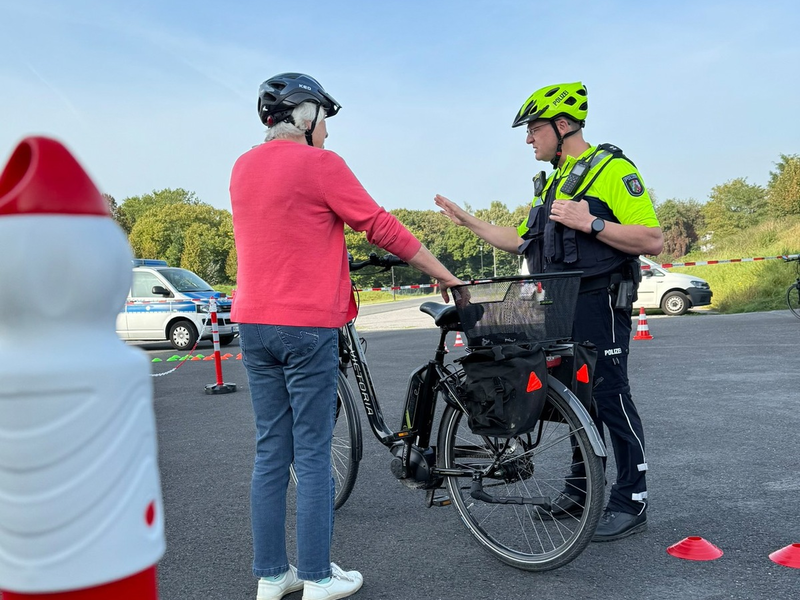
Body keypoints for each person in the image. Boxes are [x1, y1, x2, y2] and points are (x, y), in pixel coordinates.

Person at [230, 72, 462, 600]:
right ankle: (316, 577)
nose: (329, 135)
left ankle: (271, 576)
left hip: (253, 324)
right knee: (311, 454)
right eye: (325, 122)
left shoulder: (241, 168)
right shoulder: (320, 165)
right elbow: (380, 226)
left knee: (272, 452)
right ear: (305, 117)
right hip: (306, 326)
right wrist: (444, 272)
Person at [435, 81, 663, 542]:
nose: (528, 140)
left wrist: (593, 222)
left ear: (563, 126)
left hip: (601, 303)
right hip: (560, 307)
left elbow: (651, 239)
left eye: (534, 129)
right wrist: (468, 221)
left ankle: (631, 499)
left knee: (611, 396)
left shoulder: (612, 171)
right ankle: (580, 489)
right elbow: (520, 240)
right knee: (577, 399)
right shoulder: (554, 184)